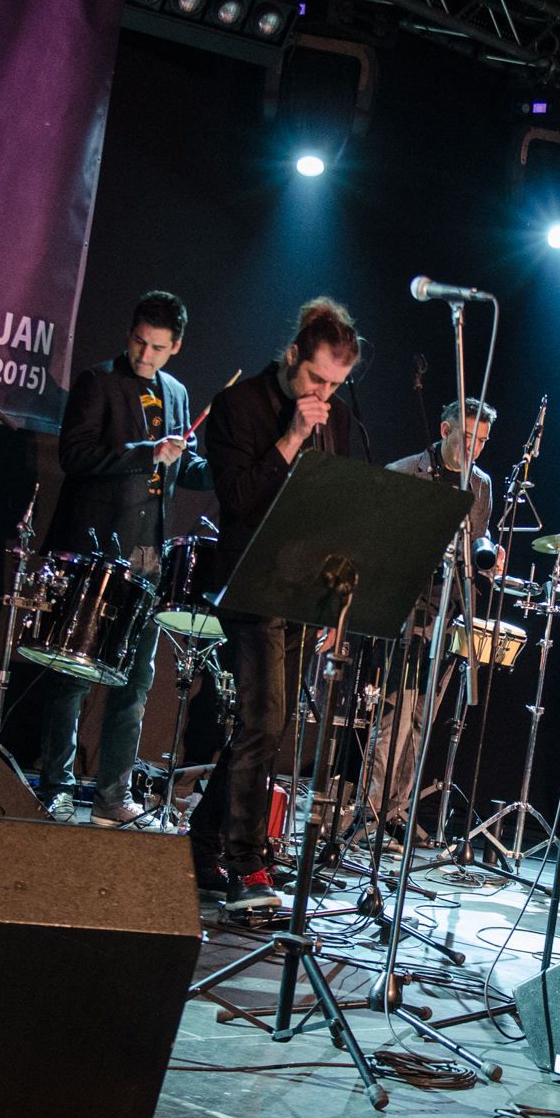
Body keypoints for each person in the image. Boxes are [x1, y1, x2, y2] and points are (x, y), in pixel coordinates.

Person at [192, 299, 360, 911]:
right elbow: (236, 499)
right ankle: (247, 865)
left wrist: (332, 599)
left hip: (299, 587)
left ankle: (201, 844)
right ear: (292, 356)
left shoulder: (336, 418)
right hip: (248, 581)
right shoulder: (238, 406)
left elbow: (332, 505)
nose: (323, 393)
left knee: (268, 727)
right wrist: (291, 438)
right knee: (262, 722)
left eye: (335, 384)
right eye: (316, 378)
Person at [34, 291, 212, 828]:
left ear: (176, 346)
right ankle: (57, 787)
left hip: (148, 551)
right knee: (73, 674)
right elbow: (74, 453)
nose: (144, 354)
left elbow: (183, 467)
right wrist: (146, 452)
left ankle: (113, 796)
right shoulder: (99, 381)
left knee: (136, 680)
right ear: (129, 333)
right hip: (97, 548)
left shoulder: (176, 392)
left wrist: (222, 468)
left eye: (157, 347)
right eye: (138, 341)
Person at [364, 397, 499, 846]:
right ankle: (371, 812)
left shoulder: (481, 484)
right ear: (445, 430)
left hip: (449, 613)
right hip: (408, 610)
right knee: (397, 716)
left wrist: (489, 556)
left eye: (483, 441)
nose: (475, 448)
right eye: (469, 437)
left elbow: (479, 539)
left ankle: (397, 811)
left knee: (423, 718)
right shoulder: (405, 472)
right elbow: (376, 541)